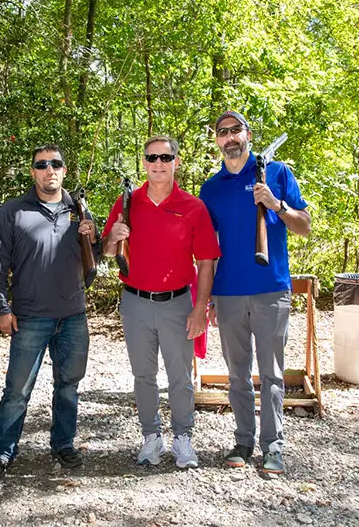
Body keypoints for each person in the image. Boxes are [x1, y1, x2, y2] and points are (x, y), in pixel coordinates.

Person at [0, 143, 101, 481]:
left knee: (68, 386)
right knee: (17, 391)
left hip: (74, 316)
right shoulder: (13, 210)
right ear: (32, 171)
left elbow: (97, 261)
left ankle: (63, 444)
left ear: (65, 170)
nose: (49, 170)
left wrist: (94, 238)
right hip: (30, 316)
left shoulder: (79, 211)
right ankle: (3, 452)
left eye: (56, 164)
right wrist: (2, 308)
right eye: (41, 164)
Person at [199, 111, 311, 474]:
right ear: (216, 140)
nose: (229, 138)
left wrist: (275, 204)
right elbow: (207, 247)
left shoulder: (277, 174)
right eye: (222, 133)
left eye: (235, 130)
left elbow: (305, 227)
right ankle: (243, 441)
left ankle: (273, 444)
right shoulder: (210, 188)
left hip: (271, 290)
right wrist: (211, 297)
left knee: (273, 374)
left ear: (247, 134)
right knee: (237, 375)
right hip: (229, 294)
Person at [102, 135, 221, 468]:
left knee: (180, 378)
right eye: (152, 158)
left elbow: (207, 261)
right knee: (143, 376)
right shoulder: (127, 202)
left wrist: (200, 308)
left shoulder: (193, 207)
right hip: (135, 302)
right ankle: (151, 438)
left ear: (175, 162)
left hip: (178, 303)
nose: (158, 164)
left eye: (165, 158)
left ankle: (183, 438)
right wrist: (114, 236)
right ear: (144, 162)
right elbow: (108, 252)